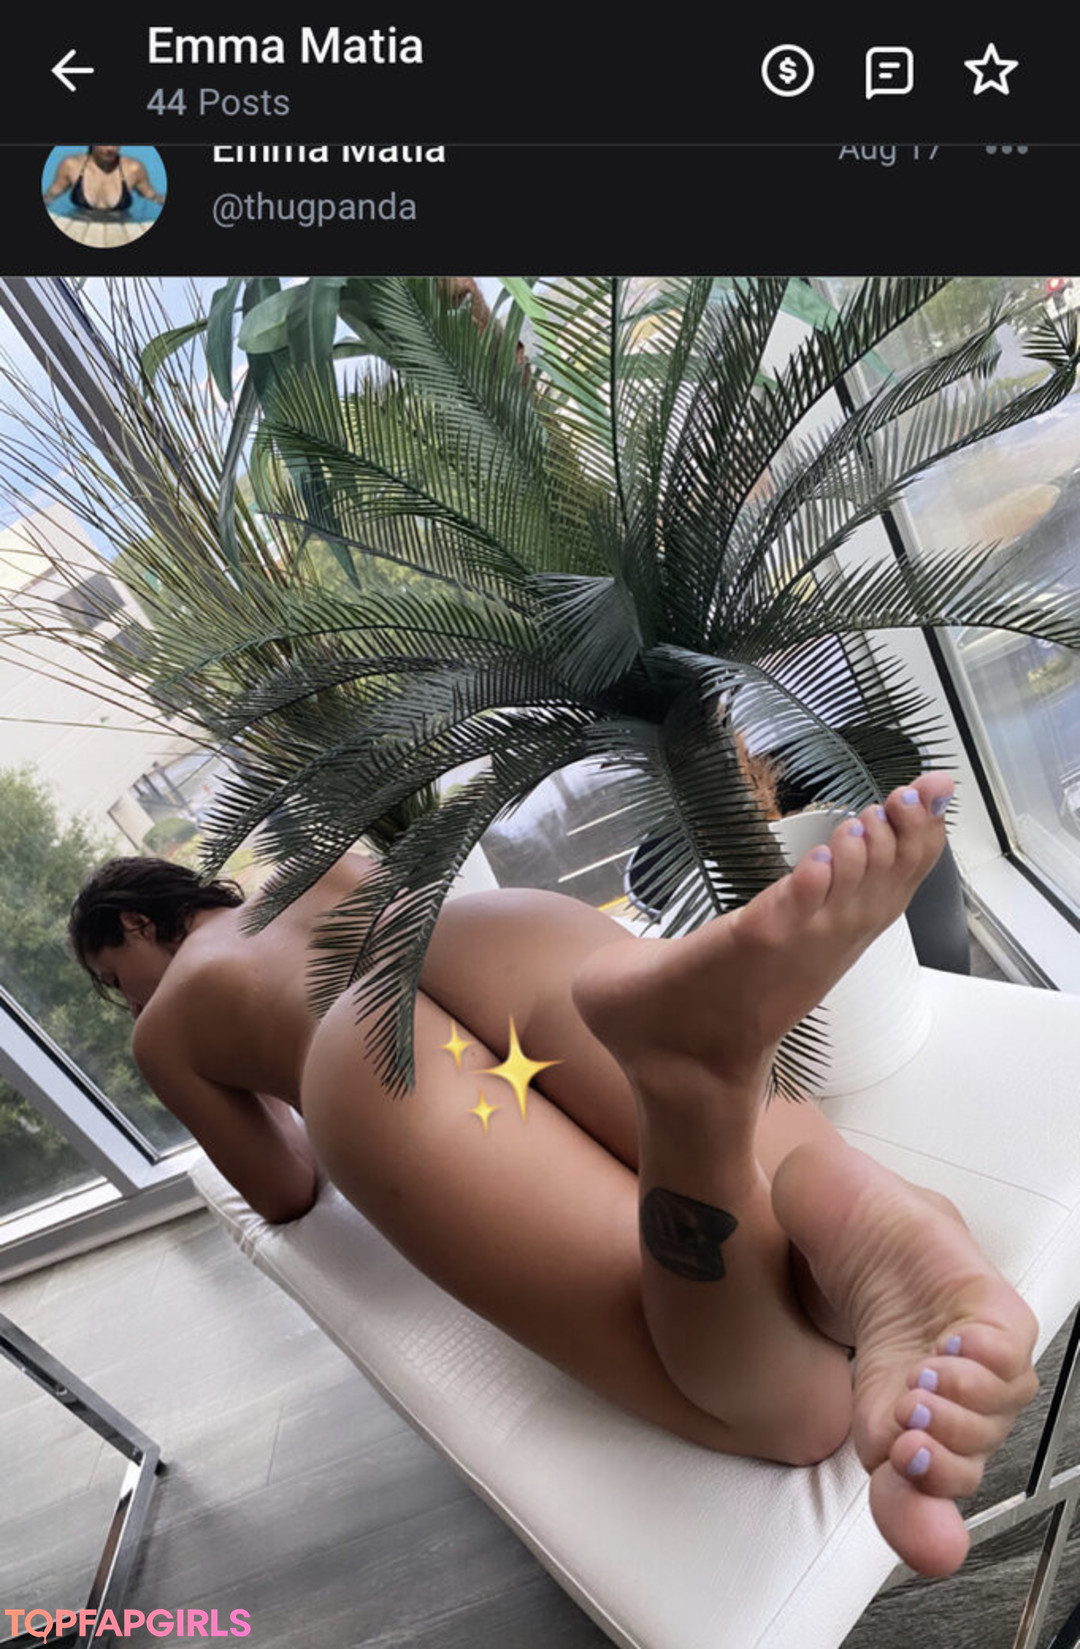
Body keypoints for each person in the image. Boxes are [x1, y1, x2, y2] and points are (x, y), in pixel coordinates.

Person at [69, 774, 1039, 1582]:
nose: (128, 1000)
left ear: (135, 923)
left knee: (801, 1408)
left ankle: (694, 1099)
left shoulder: (165, 1027)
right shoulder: (304, 868)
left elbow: (281, 1187)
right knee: (782, 1184)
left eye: (114, 978)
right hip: (500, 937)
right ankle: (846, 1205)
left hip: (371, 1055)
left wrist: (272, 1091)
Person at [43, 146, 164, 214]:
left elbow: (152, 196)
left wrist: (160, 199)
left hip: (121, 226)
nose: (110, 148)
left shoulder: (134, 169)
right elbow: (52, 194)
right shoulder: (71, 165)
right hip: (79, 223)